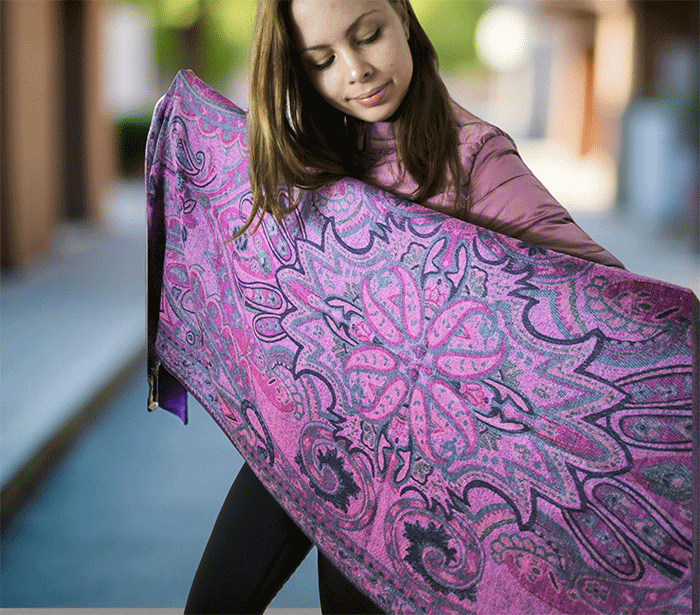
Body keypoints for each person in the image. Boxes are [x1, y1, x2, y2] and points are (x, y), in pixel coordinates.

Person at [183, 1, 623, 613]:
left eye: (368, 36)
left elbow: (603, 299)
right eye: (322, 61)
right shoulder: (314, 157)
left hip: (418, 479)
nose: (355, 70)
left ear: (403, 18)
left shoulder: (475, 160)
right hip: (311, 434)